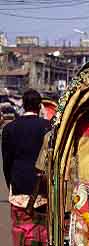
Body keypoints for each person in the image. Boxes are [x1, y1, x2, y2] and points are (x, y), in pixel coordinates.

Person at [2, 89, 50, 246]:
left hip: (19, 187)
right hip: (43, 188)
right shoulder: (48, 127)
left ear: (22, 105)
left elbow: (7, 162)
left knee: (20, 227)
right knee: (41, 230)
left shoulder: (10, 129)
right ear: (39, 106)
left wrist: (11, 183)